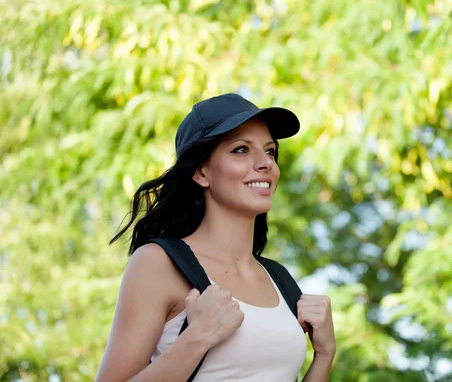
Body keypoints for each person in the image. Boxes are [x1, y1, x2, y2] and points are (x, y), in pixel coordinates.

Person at [96, 93, 336, 382]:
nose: (266, 164)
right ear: (201, 172)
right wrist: (197, 338)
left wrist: (324, 356)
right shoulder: (159, 264)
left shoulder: (279, 279)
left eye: (270, 151)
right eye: (241, 150)